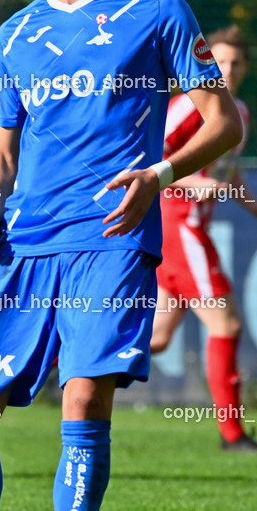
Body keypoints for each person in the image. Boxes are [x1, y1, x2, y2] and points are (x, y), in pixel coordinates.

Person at [0, 0, 243, 510]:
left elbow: (224, 125)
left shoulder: (157, 8)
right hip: (22, 244)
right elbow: (2, 151)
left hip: (112, 235)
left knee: (83, 397)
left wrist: (159, 174)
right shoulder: (14, 33)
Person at [151, 24, 257, 452]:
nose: (227, 69)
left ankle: (64, 358)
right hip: (178, 224)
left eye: (236, 62)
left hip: (190, 229)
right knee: (226, 322)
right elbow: (149, 157)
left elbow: (226, 170)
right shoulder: (188, 105)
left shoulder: (239, 114)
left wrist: (251, 204)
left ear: (246, 68)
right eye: (221, 60)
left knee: (156, 338)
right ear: (205, 61)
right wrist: (191, 183)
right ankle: (232, 435)